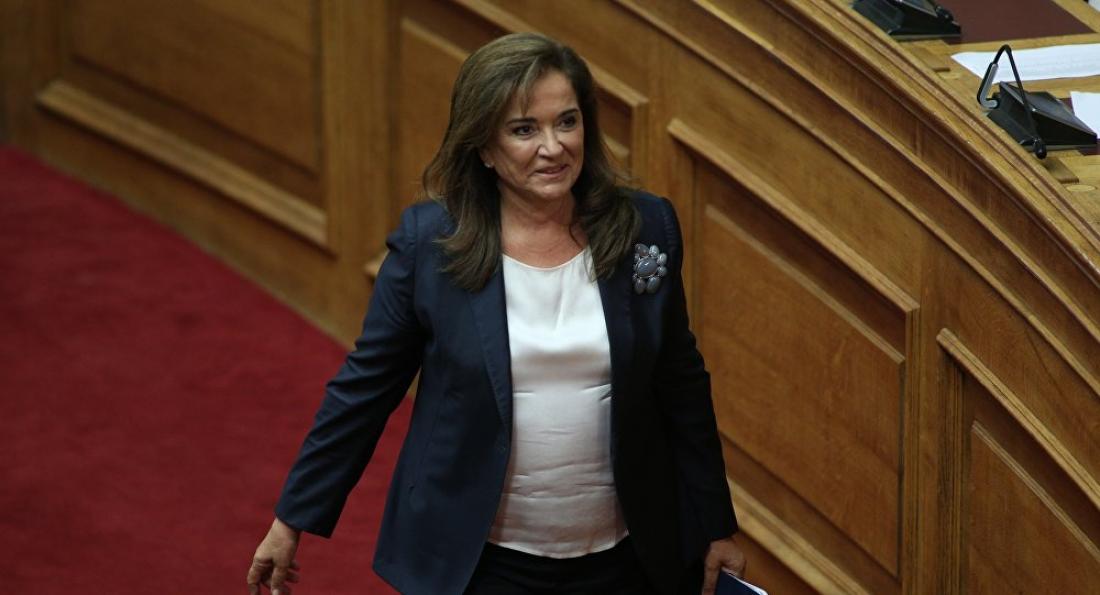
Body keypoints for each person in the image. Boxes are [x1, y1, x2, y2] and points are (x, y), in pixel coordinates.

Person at [247, 32, 745, 595]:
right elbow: (365, 390)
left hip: (626, 555)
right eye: (524, 129)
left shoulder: (645, 226)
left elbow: (681, 384)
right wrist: (291, 519)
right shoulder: (430, 245)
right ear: (484, 146)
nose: (553, 147)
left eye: (567, 122)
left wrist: (715, 523)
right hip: (480, 561)